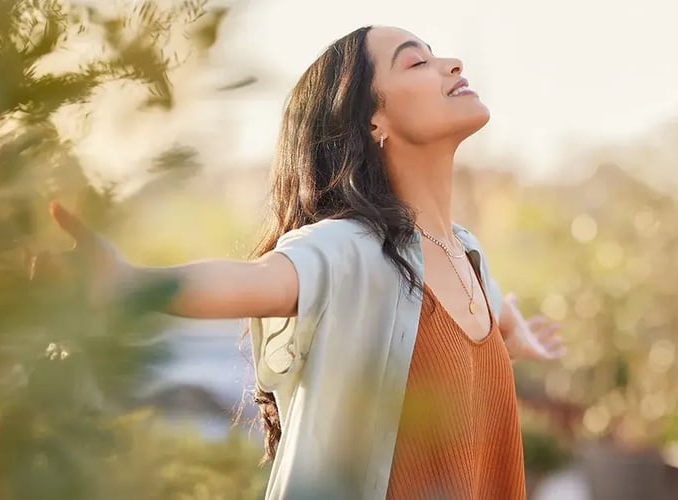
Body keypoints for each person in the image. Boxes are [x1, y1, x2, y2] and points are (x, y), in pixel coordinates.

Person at [40, 25, 565, 500]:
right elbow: (256, 280)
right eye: (416, 62)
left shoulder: (468, 256)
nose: (452, 64)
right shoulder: (350, 249)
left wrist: (510, 338)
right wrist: (130, 283)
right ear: (372, 120)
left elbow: (481, 321)